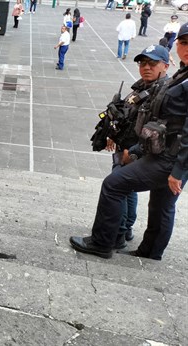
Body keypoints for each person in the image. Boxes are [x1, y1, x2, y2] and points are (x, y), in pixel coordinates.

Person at [70, 25, 188, 261]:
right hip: (165, 153)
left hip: (170, 158)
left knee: (114, 185)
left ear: (165, 65)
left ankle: (103, 243)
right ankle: (149, 253)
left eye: (152, 63)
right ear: (176, 45)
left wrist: (178, 170)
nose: (187, 48)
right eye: (183, 42)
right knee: (161, 206)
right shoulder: (182, 74)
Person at [102, 45, 170, 247]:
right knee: (127, 190)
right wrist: (113, 135)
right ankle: (126, 227)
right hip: (124, 144)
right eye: (142, 63)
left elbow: (155, 127)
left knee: (118, 187)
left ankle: (119, 232)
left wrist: (131, 151)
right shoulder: (142, 85)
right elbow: (126, 114)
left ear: (165, 66)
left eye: (152, 63)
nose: (146, 67)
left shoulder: (162, 91)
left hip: (134, 150)